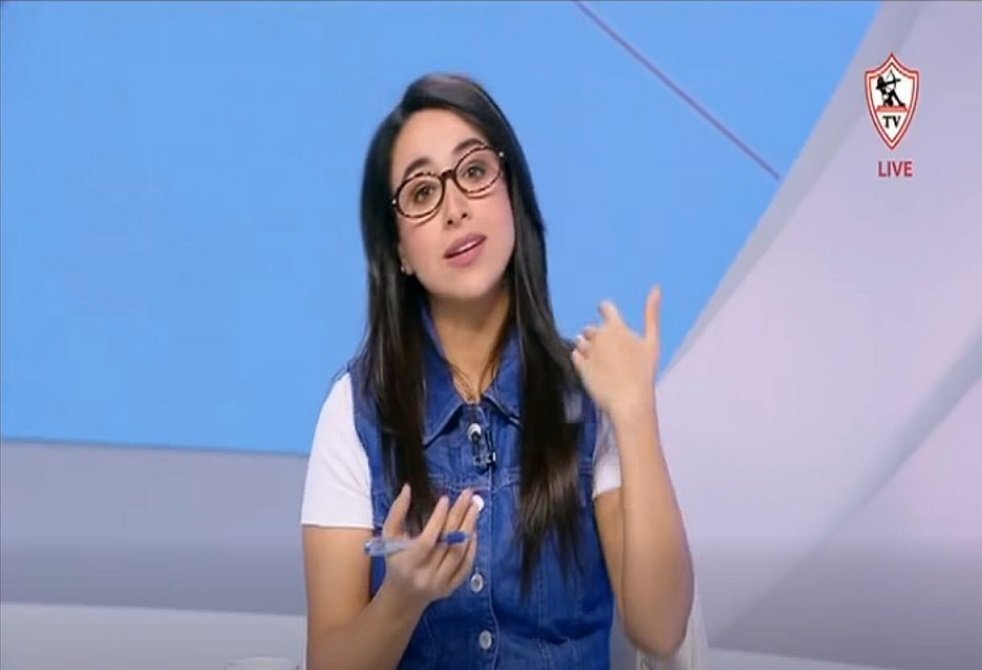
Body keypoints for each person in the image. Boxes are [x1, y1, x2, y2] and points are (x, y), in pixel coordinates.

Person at [300, 72, 695, 670]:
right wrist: (402, 601)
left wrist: (636, 414)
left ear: (513, 193)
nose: (455, 208)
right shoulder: (355, 413)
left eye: (475, 171)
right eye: (422, 193)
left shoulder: (589, 393)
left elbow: (660, 629)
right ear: (399, 251)